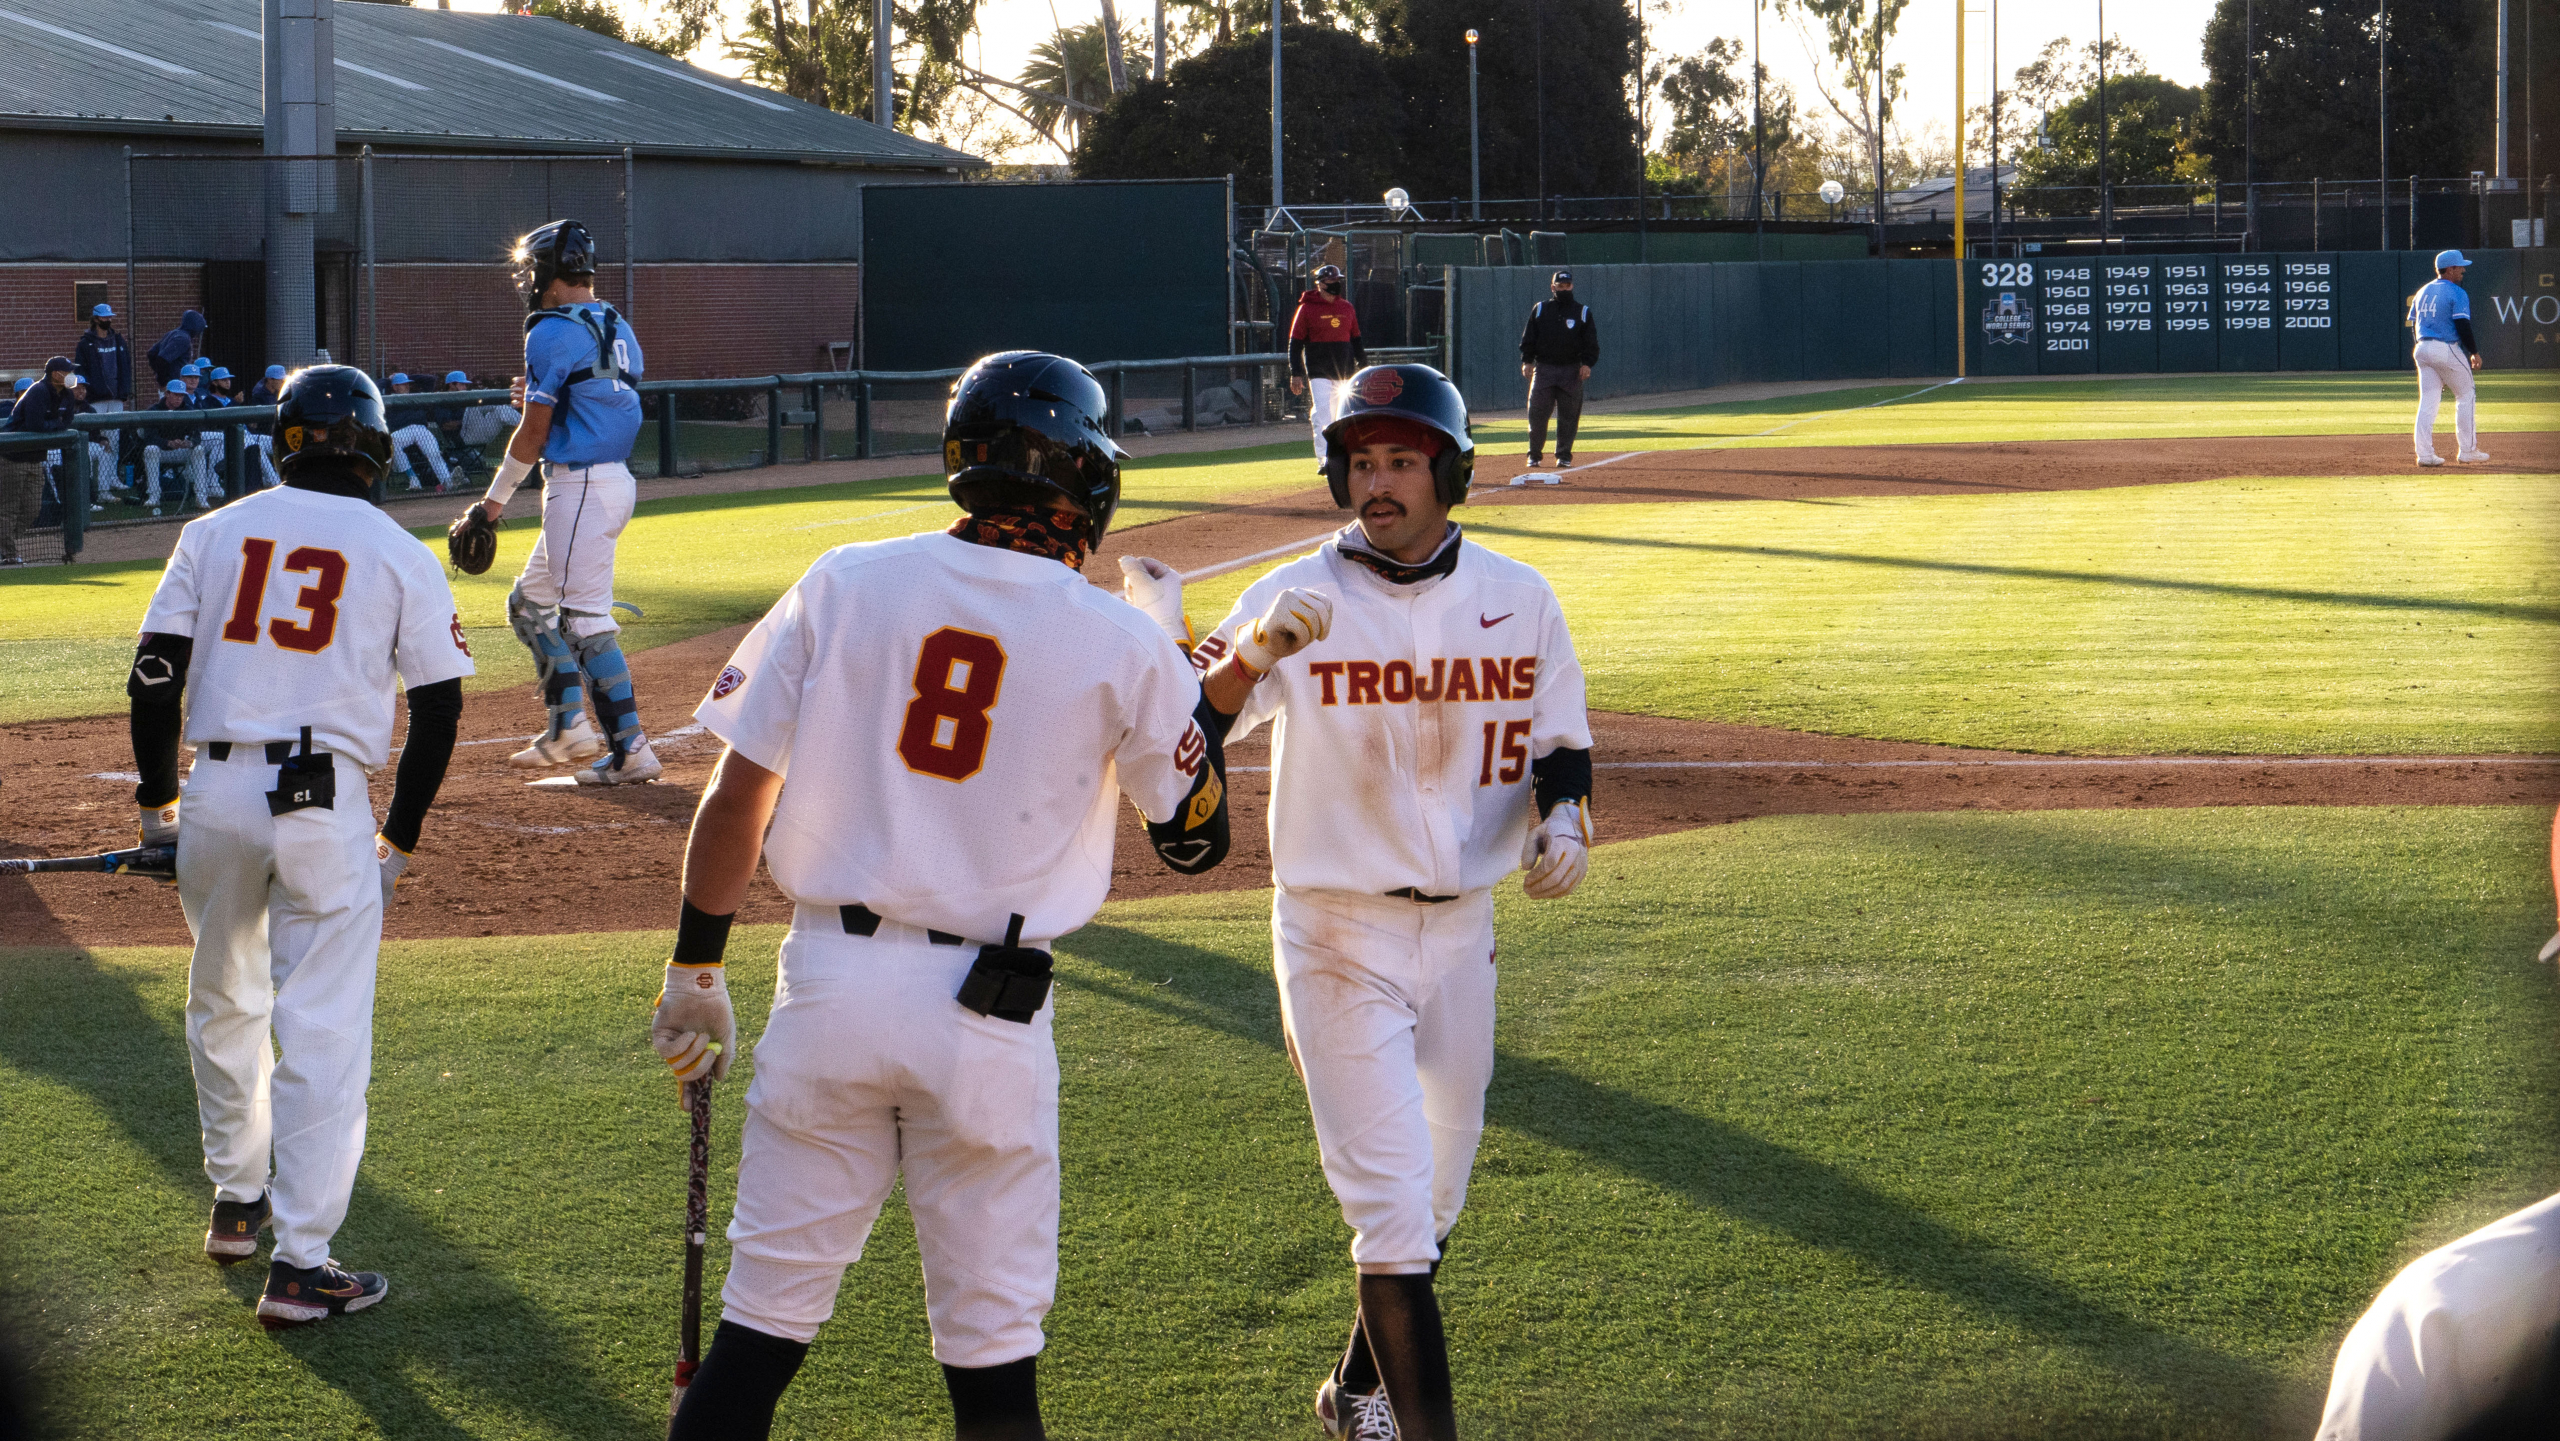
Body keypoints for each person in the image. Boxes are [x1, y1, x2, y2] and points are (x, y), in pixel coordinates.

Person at [653, 351, 1234, 1441]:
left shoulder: (845, 576)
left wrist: (694, 968)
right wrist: (1177, 657)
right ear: (1084, 477)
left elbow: (737, 797)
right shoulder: (1118, 637)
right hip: (987, 1014)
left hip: (826, 985)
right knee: (992, 1369)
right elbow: (1193, 842)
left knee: (756, 1338)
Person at [1173, 364, 1595, 1441]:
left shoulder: (1521, 595)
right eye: (1362, 462)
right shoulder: (1293, 594)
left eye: (1402, 460)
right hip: (1334, 929)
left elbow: (1560, 749)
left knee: (1436, 1199)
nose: (1379, 482)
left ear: (1447, 471)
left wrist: (1566, 823)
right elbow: (1181, 735)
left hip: (1463, 933)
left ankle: (1350, 1389)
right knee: (1393, 1217)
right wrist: (1248, 661)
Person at [126, 364, 472, 1328]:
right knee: (321, 1029)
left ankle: (237, 1203)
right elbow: (440, 708)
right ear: (371, 442)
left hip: (216, 793)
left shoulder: (211, 531)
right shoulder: (399, 549)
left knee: (222, 996)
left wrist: (159, 810)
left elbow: (154, 679)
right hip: (324, 808)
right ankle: (301, 1263)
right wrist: (397, 841)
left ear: (284, 439)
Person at [468, 219, 657, 783]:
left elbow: (533, 432)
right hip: (609, 480)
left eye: (533, 269)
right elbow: (602, 398)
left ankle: (631, 750)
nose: (528, 279)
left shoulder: (548, 328)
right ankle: (570, 725)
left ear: (551, 272)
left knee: (583, 620)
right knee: (529, 604)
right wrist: (543, 400)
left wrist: (491, 505)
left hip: (581, 486)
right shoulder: (616, 321)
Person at [2409, 250, 2489, 468]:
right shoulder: (2457, 292)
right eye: (2460, 267)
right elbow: (2463, 325)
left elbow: (2414, 327)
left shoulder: (2422, 291)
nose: (2463, 270)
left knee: (2428, 401)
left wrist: (2425, 349)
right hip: (2445, 347)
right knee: (2466, 394)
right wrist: (2474, 352)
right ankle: (2468, 450)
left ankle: (2425, 455)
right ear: (2450, 269)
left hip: (2422, 348)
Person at [1289, 262, 1368, 474]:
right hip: (1318, 371)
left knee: (1342, 416)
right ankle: (1325, 460)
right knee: (1323, 415)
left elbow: (1356, 340)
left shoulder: (1347, 308)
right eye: (1332, 281)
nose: (1336, 284)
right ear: (1321, 284)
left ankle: (1342, 457)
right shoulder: (1306, 309)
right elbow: (1295, 344)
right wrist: (1296, 373)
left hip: (1344, 370)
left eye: (1337, 281)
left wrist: (1364, 366)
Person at [1518, 271, 1598, 470]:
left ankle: (1563, 456)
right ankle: (1534, 455)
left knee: (1569, 417)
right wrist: (1527, 361)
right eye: (1560, 286)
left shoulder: (1582, 312)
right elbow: (1529, 338)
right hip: (1544, 369)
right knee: (1536, 414)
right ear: (1553, 287)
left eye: (1567, 285)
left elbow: (1591, 343)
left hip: (1571, 371)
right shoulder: (1540, 309)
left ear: (1572, 286)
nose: (1564, 289)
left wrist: (1587, 364)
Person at [143, 379, 209, 517]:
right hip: (163, 451)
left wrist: (189, 443)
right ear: (167, 393)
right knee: (150, 449)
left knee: (198, 450)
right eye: (176, 394)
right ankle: (154, 496)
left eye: (181, 395)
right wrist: (167, 443)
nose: (179, 398)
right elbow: (149, 438)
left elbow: (197, 436)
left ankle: (201, 497)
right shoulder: (154, 410)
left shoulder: (188, 410)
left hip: (181, 450)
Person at [383, 373, 453, 492]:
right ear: (394, 387)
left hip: (420, 429)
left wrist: (408, 376)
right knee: (392, 441)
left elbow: (430, 379)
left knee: (433, 452)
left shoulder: (415, 396)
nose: (407, 386)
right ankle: (413, 479)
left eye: (408, 384)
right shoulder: (388, 398)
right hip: (401, 432)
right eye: (403, 384)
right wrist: (388, 380)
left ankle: (447, 482)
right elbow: (376, 386)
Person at [76, 303, 132, 411]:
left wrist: (125, 388)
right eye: (104, 317)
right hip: (96, 399)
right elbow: (80, 370)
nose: (108, 320)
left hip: (117, 397)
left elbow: (126, 366)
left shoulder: (118, 341)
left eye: (110, 317)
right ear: (96, 319)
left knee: (116, 427)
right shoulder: (86, 344)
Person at [149, 308, 207, 391]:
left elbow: (152, 353)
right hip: (174, 385)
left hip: (173, 383)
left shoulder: (173, 333)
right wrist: (163, 381)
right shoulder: (183, 339)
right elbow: (162, 359)